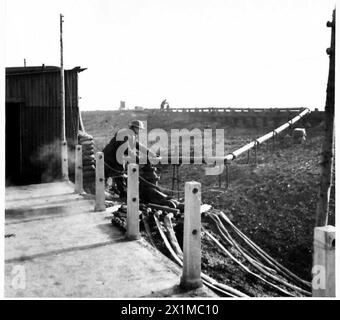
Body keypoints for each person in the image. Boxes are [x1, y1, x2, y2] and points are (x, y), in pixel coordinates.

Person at [102, 120, 158, 198]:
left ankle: (118, 193)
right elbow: (125, 149)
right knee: (117, 173)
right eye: (139, 129)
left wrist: (151, 153)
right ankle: (122, 194)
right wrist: (138, 158)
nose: (139, 131)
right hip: (110, 157)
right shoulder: (126, 134)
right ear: (134, 127)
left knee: (115, 174)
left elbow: (139, 146)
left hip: (112, 156)